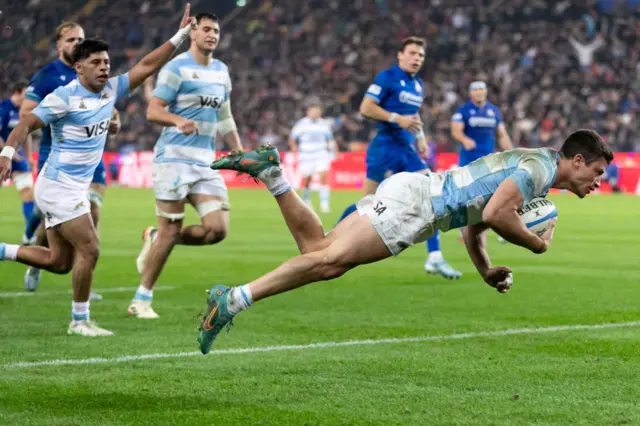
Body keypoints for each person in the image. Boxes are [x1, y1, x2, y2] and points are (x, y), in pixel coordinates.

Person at [196, 129, 613, 354]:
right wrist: (536, 245)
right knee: (329, 262)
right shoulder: (538, 170)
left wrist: (485, 269)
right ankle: (231, 299)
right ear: (576, 160)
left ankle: (271, 175)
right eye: (596, 171)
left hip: (417, 193)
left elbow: (474, 225)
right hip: (420, 207)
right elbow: (494, 214)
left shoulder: (534, 169)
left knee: (318, 250)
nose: (598, 182)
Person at [0, 3, 198, 336]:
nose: (104, 68)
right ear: (79, 67)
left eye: (106, 62)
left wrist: (180, 35)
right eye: (96, 63)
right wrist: (7, 153)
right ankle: (80, 320)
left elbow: (149, 64)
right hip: (58, 185)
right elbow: (26, 124)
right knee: (91, 248)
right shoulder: (63, 97)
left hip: (73, 187)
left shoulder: (111, 90)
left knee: (59, 263)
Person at [130, 12, 243, 319]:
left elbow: (225, 117)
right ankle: (141, 299)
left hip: (205, 162)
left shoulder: (221, 71)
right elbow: (154, 110)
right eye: (206, 29)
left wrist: (239, 151)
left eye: (216, 31)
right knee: (172, 229)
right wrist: (177, 119)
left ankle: (156, 238)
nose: (212, 35)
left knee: (217, 230)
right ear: (193, 33)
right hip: (174, 159)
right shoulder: (176, 68)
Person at [334, 37, 462, 279]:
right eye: (412, 53)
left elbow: (412, 115)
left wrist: (421, 136)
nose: (417, 59)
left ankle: (434, 258)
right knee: (368, 204)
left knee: (432, 196)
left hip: (407, 149)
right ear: (400, 55)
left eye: (421, 55)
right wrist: (395, 119)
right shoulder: (387, 77)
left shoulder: (418, 85)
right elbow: (366, 107)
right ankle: (329, 239)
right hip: (384, 146)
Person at [20, 21, 120, 296]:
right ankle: (38, 261)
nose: (76, 43)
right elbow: (27, 113)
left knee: (93, 212)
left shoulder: (96, 73)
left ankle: (84, 276)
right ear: (59, 44)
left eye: (80, 39)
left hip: (92, 154)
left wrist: (114, 118)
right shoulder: (48, 77)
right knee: (49, 221)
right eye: (71, 39)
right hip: (58, 157)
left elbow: (109, 103)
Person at [451, 80, 513, 243]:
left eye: (482, 89)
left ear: (486, 92)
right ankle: (464, 230)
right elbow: (455, 130)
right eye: (476, 89)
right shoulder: (463, 110)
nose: (479, 92)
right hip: (469, 160)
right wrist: (464, 139)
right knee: (466, 196)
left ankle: (502, 230)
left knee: (495, 194)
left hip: (488, 160)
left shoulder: (494, 111)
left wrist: (512, 152)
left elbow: (501, 134)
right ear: (471, 93)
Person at [0, 81, 35, 241]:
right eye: (26, 94)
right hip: (2, 156)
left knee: (28, 194)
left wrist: (28, 158)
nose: (29, 97)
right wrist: (8, 151)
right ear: (17, 92)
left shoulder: (23, 112)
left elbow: (27, 134)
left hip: (18, 158)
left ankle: (30, 234)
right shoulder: (4, 108)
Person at [288, 98, 337, 213]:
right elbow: (292, 138)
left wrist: (334, 149)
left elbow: (330, 139)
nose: (315, 113)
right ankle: (307, 201)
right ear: (308, 112)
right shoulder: (301, 124)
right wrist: (294, 147)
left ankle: (324, 204)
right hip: (306, 154)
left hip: (321, 153)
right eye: (313, 111)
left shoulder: (324, 124)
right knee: (307, 179)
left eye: (317, 111)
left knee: (323, 176)